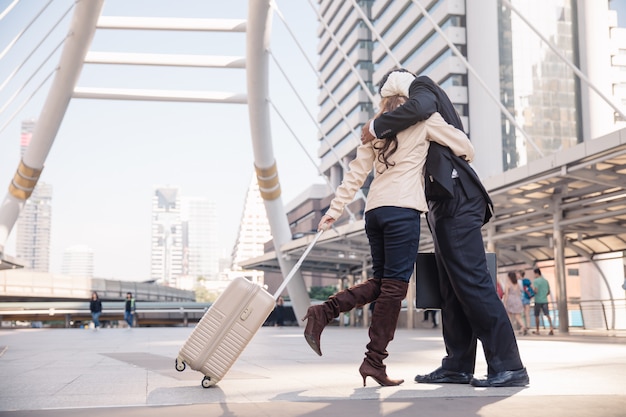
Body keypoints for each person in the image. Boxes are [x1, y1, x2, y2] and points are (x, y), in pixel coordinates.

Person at [303, 69, 475, 387]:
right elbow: (465, 146)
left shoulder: (374, 131)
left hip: (375, 212)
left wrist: (333, 211)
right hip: (402, 209)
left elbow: (354, 175)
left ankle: (325, 312)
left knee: (383, 283)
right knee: (395, 289)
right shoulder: (424, 121)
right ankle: (374, 361)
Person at [361, 69, 529, 388]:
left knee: (472, 281)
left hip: (457, 198)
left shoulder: (422, 90)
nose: (384, 99)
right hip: (441, 202)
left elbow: (463, 145)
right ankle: (457, 365)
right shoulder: (410, 120)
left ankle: (509, 365)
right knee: (450, 288)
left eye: (385, 91)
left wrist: (375, 125)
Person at [532, 267, 554, 335]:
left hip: (538, 300)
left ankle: (537, 330)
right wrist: (543, 295)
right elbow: (548, 292)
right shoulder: (546, 281)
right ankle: (551, 328)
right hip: (545, 300)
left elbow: (536, 290)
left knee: (537, 315)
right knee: (547, 314)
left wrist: (533, 293)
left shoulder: (535, 281)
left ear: (536, 273)